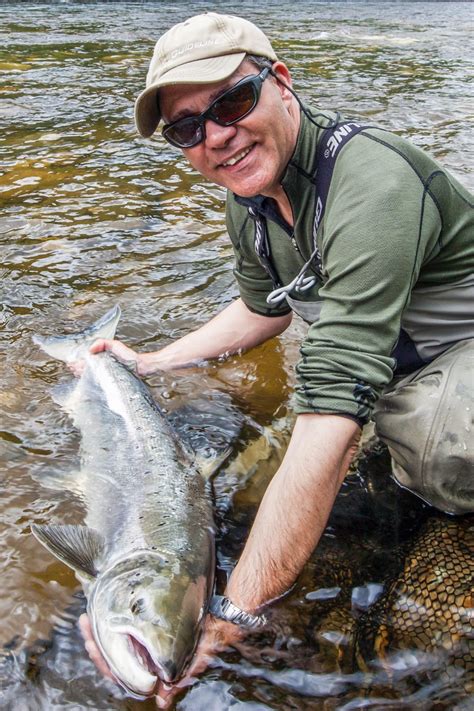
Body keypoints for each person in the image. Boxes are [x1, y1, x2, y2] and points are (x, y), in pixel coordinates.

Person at [80, 11, 474, 706]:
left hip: (451, 362)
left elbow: (329, 417)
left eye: (232, 101)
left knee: (437, 446)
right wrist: (151, 362)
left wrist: (235, 613)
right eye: (186, 128)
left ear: (281, 84)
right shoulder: (254, 196)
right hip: (396, 367)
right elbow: (267, 308)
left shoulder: (371, 185)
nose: (217, 137)